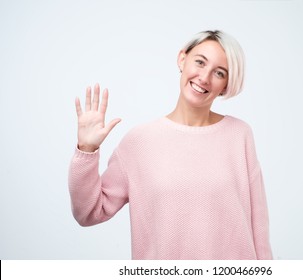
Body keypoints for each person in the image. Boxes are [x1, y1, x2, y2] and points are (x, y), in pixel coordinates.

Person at [69, 30, 273, 260]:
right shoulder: (139, 142)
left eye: (219, 73)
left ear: (225, 85)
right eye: (200, 62)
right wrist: (86, 150)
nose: (204, 77)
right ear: (182, 59)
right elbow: (89, 213)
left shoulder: (239, 135)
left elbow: (258, 227)